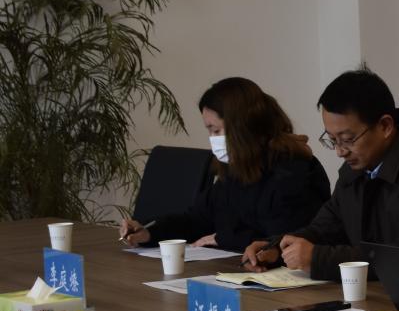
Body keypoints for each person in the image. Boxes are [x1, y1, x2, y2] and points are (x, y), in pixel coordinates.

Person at [242, 68, 399, 291]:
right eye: (332, 139)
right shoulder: (356, 170)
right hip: (386, 297)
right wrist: (277, 248)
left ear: (385, 126)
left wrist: (317, 259)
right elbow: (323, 230)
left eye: (347, 139)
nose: (340, 151)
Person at [119, 77, 330, 252]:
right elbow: (197, 220)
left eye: (216, 130)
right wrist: (149, 231)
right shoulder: (235, 170)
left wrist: (224, 238)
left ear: (242, 127)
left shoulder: (293, 171)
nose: (212, 139)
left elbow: (283, 240)